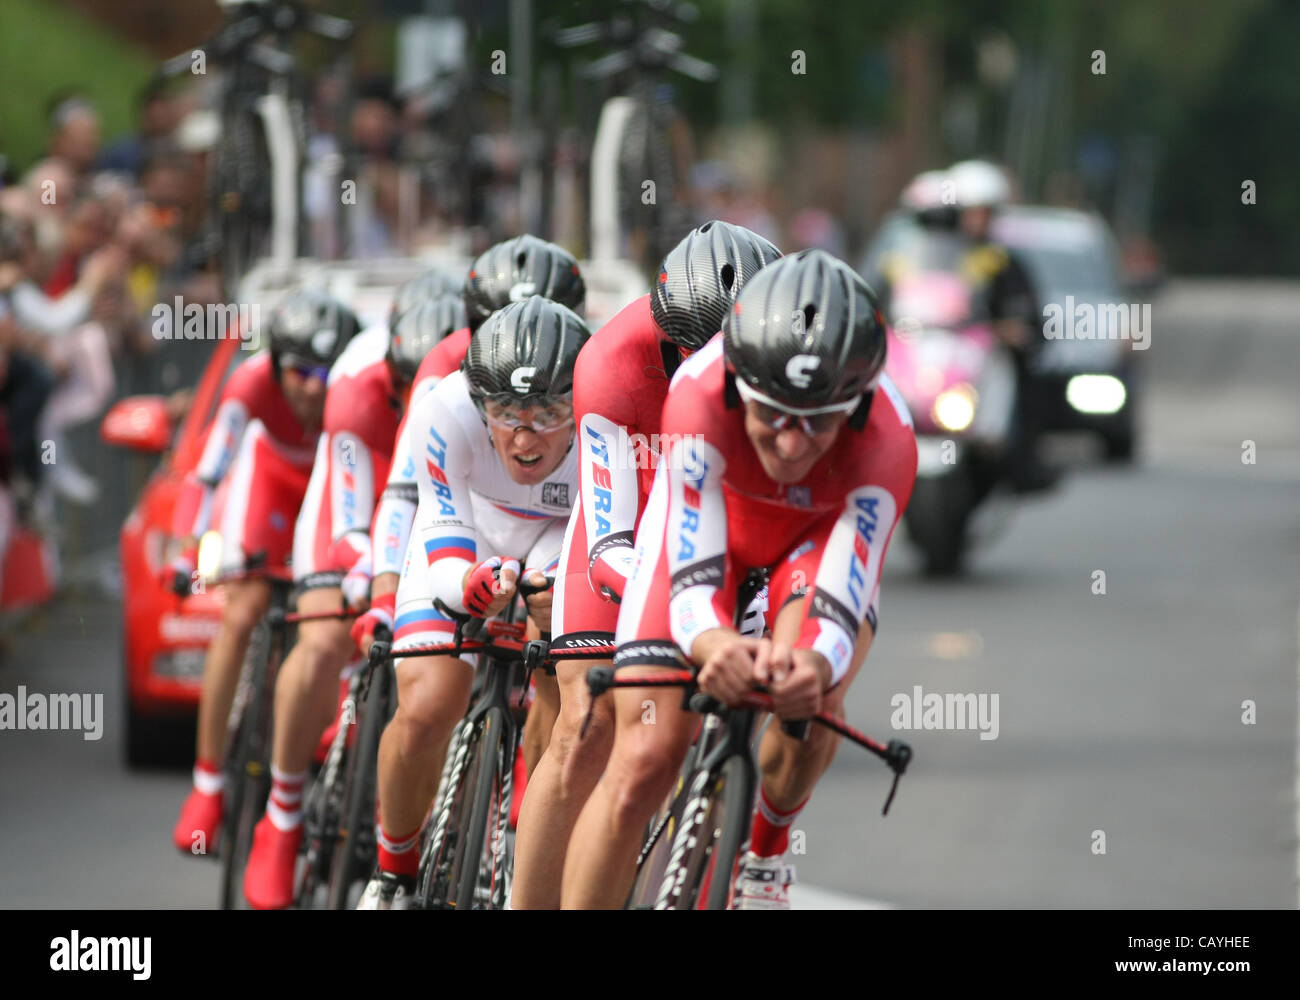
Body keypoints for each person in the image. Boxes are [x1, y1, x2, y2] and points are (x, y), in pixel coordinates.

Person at [561, 250, 917, 910]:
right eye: (774, 415)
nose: (791, 443)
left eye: (821, 420)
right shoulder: (697, 393)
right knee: (643, 759)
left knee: (815, 698)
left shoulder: (889, 441)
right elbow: (691, 581)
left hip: (814, 542)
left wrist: (812, 663)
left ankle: (766, 852)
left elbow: (840, 600)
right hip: (715, 531)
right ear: (736, 387)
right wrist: (712, 644)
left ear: (860, 405)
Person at [510, 220, 781, 910]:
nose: (715, 375)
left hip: (733, 512)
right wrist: (693, 615)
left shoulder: (790, 358)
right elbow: (608, 545)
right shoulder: (611, 362)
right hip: (633, 526)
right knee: (587, 723)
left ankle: (738, 864)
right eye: (692, 352)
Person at [356, 295, 589, 909]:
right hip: (467, 535)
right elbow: (440, 535)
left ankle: (530, 841)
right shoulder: (445, 410)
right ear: (478, 401)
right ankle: (391, 872)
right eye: (506, 411)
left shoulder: (606, 422)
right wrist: (470, 587)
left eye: (548, 411)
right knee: (430, 703)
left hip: (561, 536)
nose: (525, 434)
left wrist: (558, 604)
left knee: (570, 681)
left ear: (580, 401)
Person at [241, 285, 453, 908]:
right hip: (356, 507)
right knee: (325, 635)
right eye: (403, 396)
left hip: (435, 508)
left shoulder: (473, 390)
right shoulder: (356, 391)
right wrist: (373, 575)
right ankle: (281, 815)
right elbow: (348, 526)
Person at [170, 290, 361, 854]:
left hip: (328, 487)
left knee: (324, 624)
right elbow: (207, 473)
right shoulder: (249, 382)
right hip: (273, 482)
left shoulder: (352, 394)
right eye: (298, 369)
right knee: (244, 610)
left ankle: (304, 755)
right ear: (275, 363)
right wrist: (188, 552)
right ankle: (207, 786)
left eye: (324, 372)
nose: (311, 385)